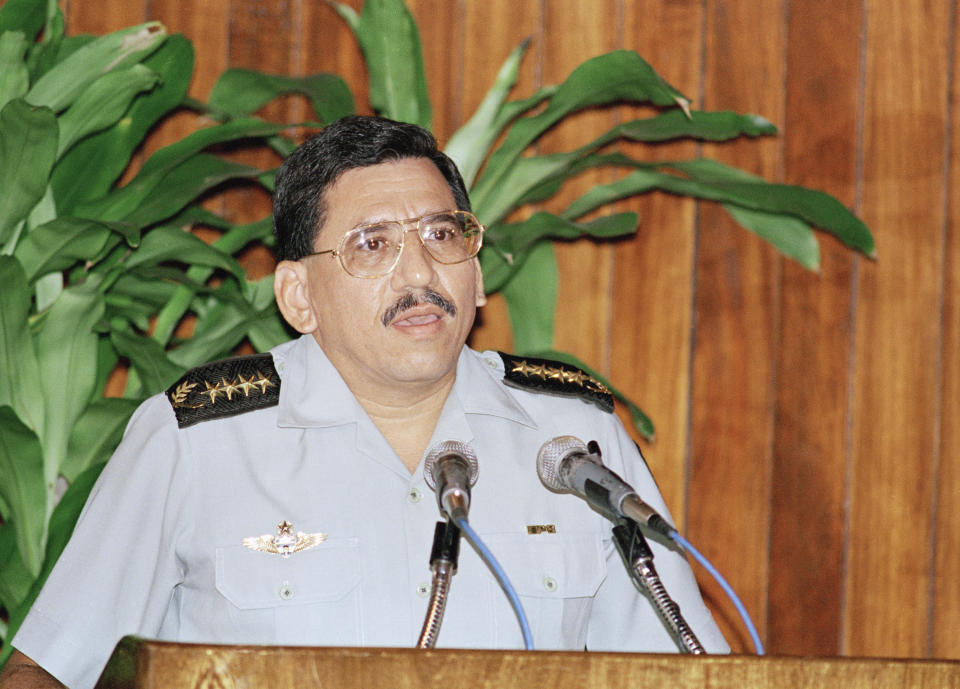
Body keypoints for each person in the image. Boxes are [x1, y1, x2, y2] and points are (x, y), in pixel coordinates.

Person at [1, 116, 728, 689]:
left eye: (443, 234)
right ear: (298, 296)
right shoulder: (196, 444)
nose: (419, 270)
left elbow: (688, 670)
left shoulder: (574, 443)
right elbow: (48, 672)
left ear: (477, 276)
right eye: (372, 245)